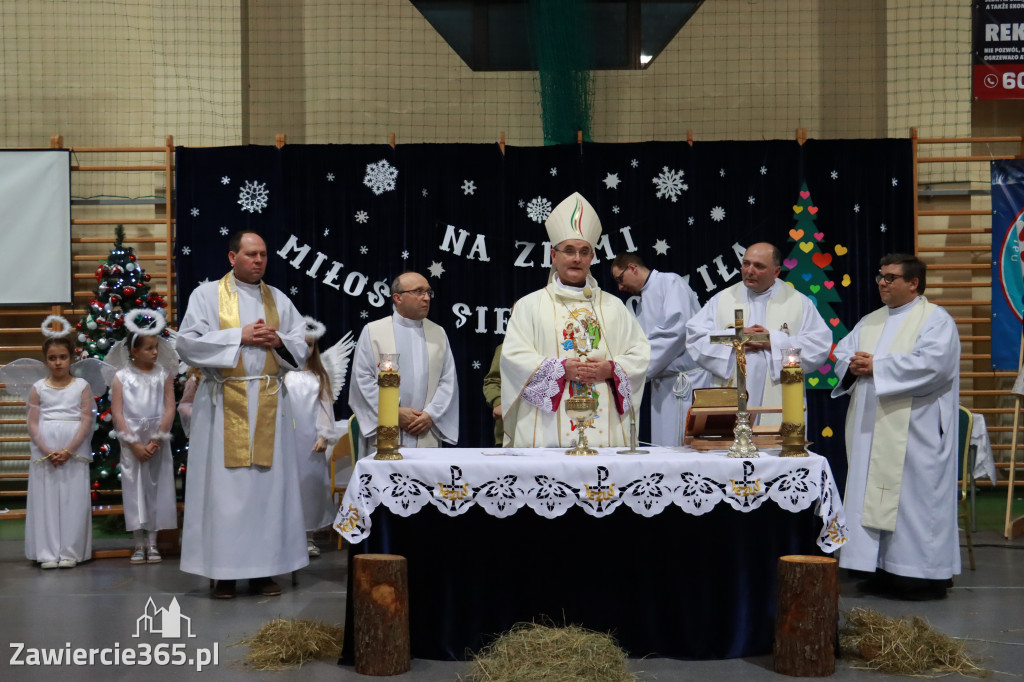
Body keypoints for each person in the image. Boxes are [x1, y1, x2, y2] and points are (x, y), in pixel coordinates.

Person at [175, 230, 310, 599]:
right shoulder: (206, 296)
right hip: (223, 402)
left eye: (263, 254)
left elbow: (302, 341)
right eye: (251, 254)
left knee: (267, 489)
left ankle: (266, 570)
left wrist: (280, 340)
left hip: (268, 398)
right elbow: (187, 344)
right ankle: (224, 573)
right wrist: (239, 336)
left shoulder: (278, 299)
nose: (259, 260)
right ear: (232, 257)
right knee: (225, 491)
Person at [832, 253, 960, 600]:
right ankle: (878, 567)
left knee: (913, 501)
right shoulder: (870, 321)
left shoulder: (935, 321)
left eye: (890, 278)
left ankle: (919, 575)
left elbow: (935, 365)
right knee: (870, 495)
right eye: (880, 277)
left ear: (913, 283)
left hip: (915, 430)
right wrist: (853, 365)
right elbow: (843, 354)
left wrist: (878, 366)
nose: (882, 283)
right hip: (870, 427)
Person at [501, 192, 650, 448]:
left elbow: (640, 354)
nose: (576, 258)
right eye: (568, 251)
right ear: (554, 256)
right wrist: (558, 369)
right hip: (547, 432)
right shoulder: (529, 306)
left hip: (606, 428)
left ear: (592, 257)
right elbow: (513, 358)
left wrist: (611, 369)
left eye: (584, 252)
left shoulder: (613, 306)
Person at [685, 242, 831, 425]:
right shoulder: (723, 299)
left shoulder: (798, 303)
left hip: (779, 400)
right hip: (732, 394)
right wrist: (734, 337)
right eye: (746, 264)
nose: (749, 271)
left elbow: (819, 346)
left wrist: (773, 341)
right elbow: (695, 338)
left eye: (758, 266)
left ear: (776, 272)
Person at [349, 271, 459, 453]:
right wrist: (393, 412)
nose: (426, 298)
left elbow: (448, 381)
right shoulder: (373, 331)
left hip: (425, 428)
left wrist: (431, 415)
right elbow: (362, 380)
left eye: (428, 292)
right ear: (397, 298)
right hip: (385, 429)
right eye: (418, 292)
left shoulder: (438, 333)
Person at [610, 253, 709, 446]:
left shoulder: (670, 282)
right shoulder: (643, 302)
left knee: (681, 445)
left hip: (685, 384)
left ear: (632, 268)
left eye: (620, 279)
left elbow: (677, 330)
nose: (620, 287)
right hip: (662, 384)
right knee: (663, 444)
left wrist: (637, 367)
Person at [109, 310, 178, 565]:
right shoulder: (121, 377)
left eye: (156, 347)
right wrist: (134, 444)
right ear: (134, 351)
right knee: (134, 488)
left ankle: (153, 542)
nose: (155, 352)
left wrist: (157, 439)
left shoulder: (163, 374)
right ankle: (138, 543)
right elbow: (117, 412)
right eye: (148, 348)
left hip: (157, 438)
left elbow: (170, 406)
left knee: (156, 487)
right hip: (132, 440)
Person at [23, 334, 95, 569]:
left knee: (71, 498)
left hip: (73, 449)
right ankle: (47, 551)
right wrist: (47, 449)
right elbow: (33, 422)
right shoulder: (38, 388)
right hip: (46, 448)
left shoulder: (82, 386)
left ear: (71, 358)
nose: (58, 362)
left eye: (63, 357)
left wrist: (69, 450)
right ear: (46, 360)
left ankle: (70, 551)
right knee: (47, 498)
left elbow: (86, 419)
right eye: (52, 358)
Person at [284, 318, 341, 558]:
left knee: (308, 486)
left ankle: (307, 537)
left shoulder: (319, 376)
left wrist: (324, 436)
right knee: (287, 485)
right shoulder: (282, 374)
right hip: (286, 440)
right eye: (301, 344)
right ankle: (285, 535)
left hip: (310, 442)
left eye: (310, 345)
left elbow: (326, 410)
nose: (305, 350)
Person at [482, 343, 503, 446]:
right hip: (509, 434)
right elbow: (493, 381)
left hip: (548, 432)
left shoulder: (556, 348)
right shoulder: (507, 347)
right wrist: (498, 401)